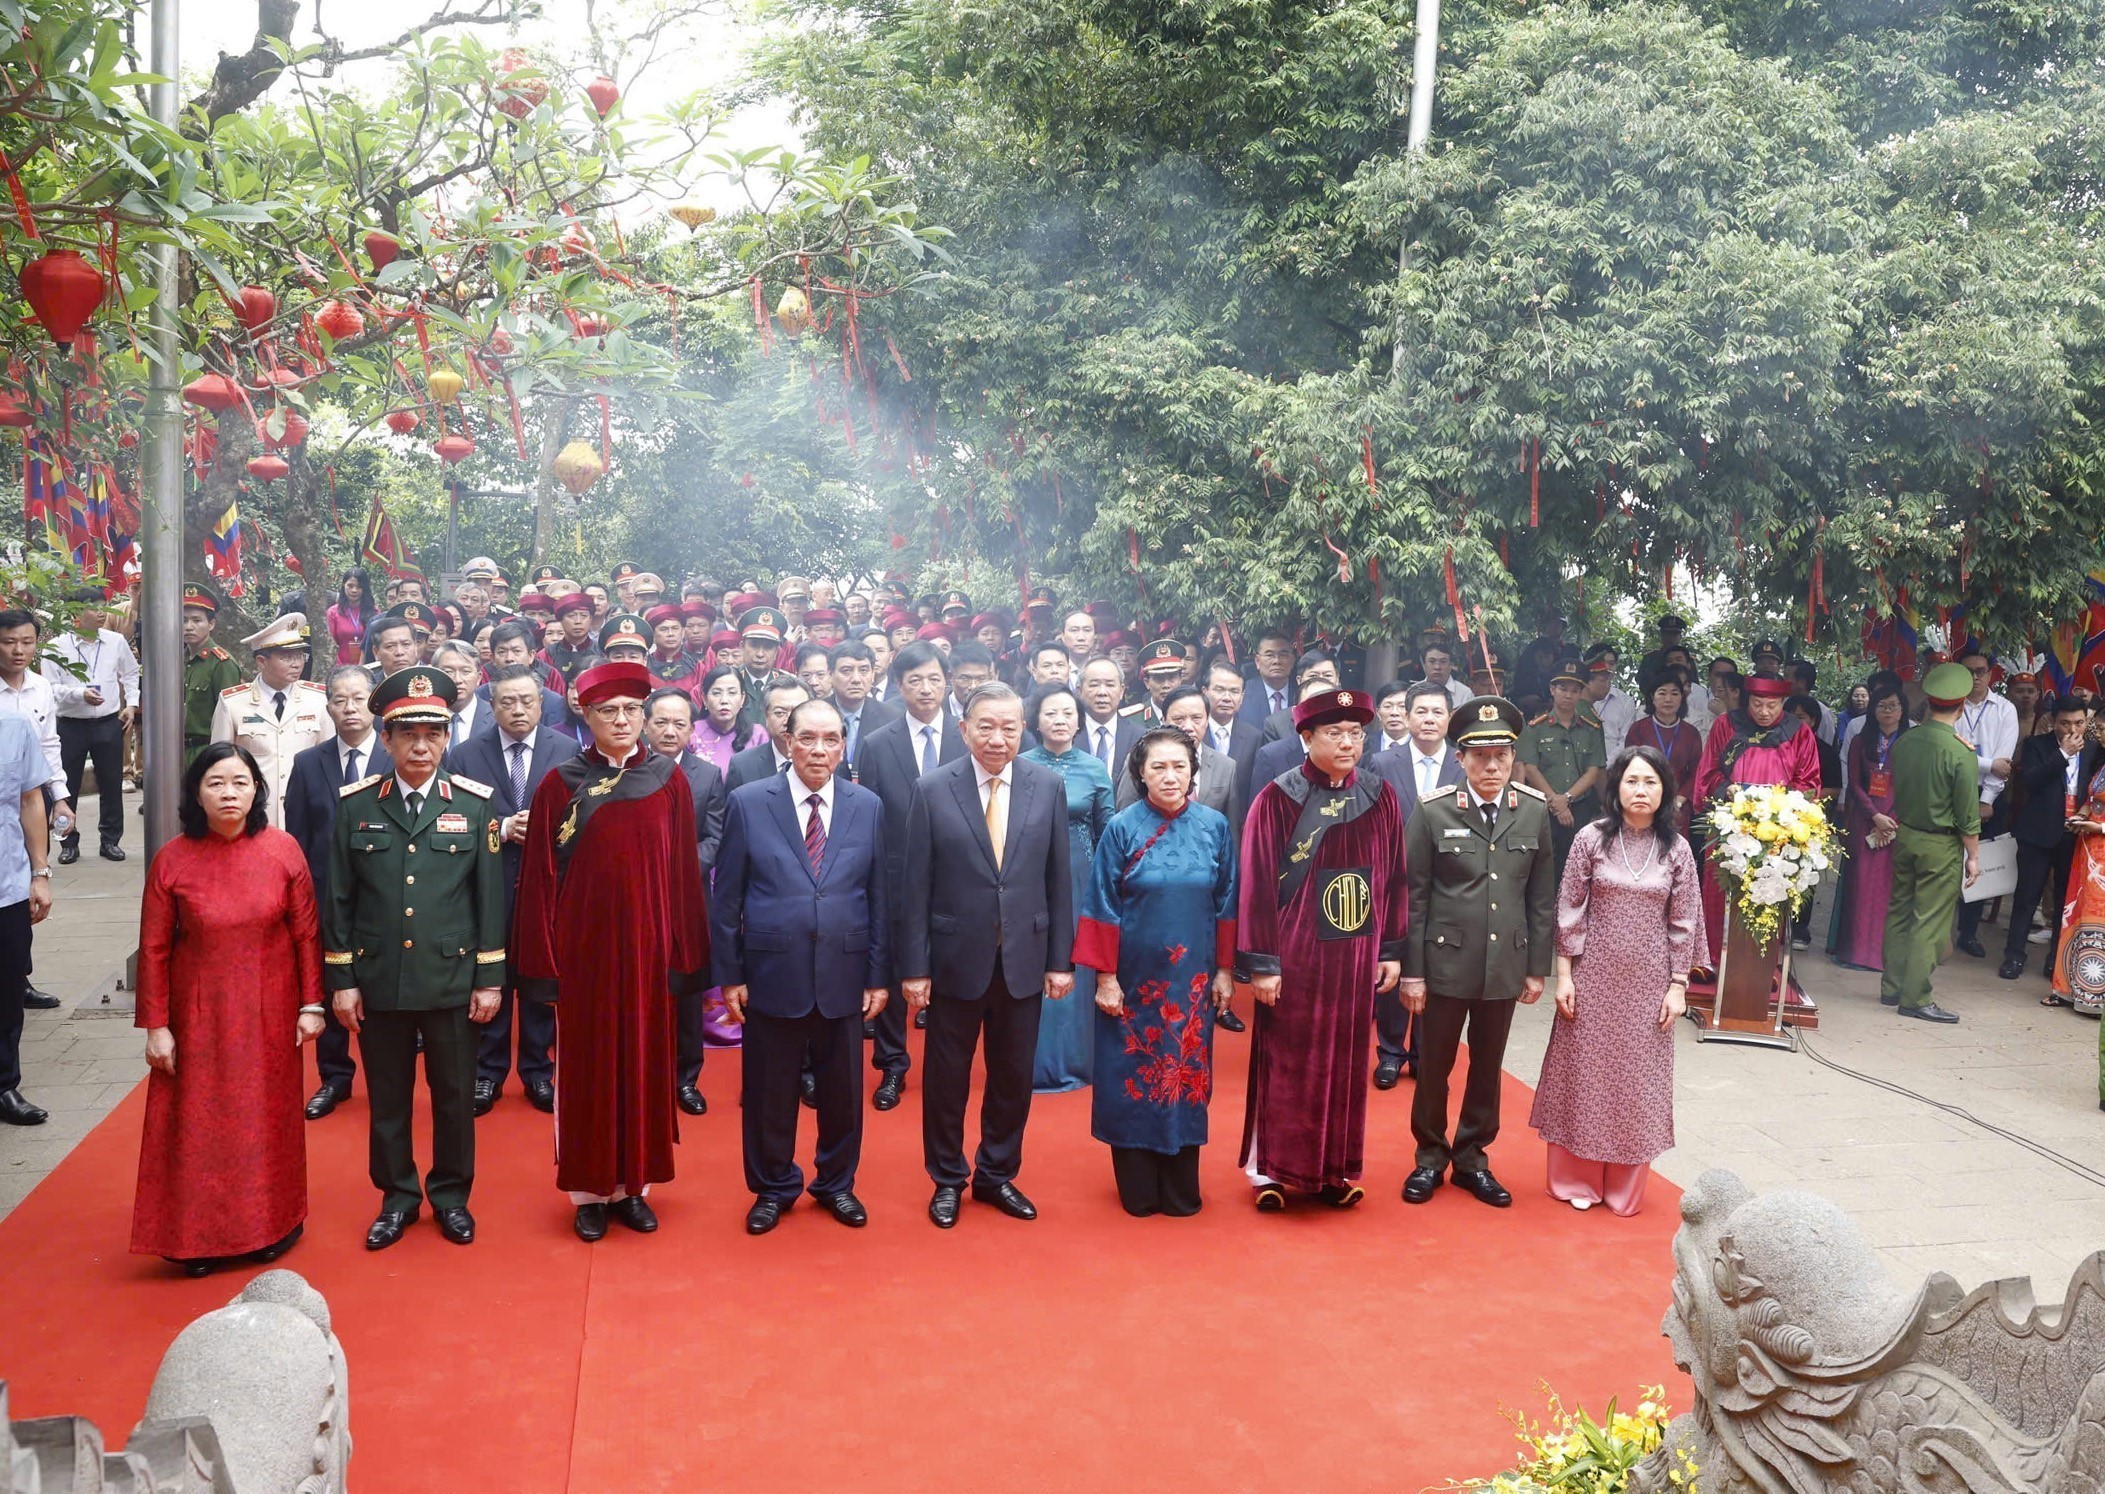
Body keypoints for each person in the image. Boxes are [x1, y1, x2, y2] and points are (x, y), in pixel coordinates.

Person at [513, 661, 711, 1242]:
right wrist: (543, 966)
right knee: (590, 1070)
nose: (621, 721)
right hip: (585, 958)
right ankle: (590, 1193)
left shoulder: (669, 780)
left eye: (631, 710)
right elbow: (541, 879)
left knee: (646, 1067)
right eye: (608, 712)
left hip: (649, 956)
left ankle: (636, 1187)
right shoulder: (561, 784)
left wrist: (684, 955)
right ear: (586, 716)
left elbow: (681, 875)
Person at [324, 666, 506, 1250]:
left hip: (452, 979)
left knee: (454, 1100)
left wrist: (490, 979)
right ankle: (398, 1197)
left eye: (433, 734)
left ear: (447, 738)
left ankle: (451, 1197)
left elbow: (489, 901)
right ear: (386, 740)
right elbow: (339, 898)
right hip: (380, 980)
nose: (421, 746)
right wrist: (343, 979)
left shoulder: (475, 807)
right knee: (389, 1099)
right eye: (408, 735)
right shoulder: (355, 806)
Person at [132, 743, 322, 1274]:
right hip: (200, 1014)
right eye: (216, 782)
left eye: (240, 782)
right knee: (197, 1124)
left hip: (270, 1009)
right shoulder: (173, 858)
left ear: (257, 789)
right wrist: (157, 1026)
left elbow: (307, 933)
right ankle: (195, 1237)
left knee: (266, 1120)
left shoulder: (283, 851)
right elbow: (153, 948)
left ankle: (271, 1224)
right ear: (197, 792)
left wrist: (312, 1004)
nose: (229, 793)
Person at [712, 699, 889, 1234]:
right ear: (786, 741)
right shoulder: (748, 801)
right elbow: (727, 899)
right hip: (771, 971)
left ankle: (837, 1183)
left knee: (843, 1092)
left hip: (845, 968)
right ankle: (773, 1186)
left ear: (843, 745)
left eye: (831, 739)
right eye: (807, 738)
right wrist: (732, 976)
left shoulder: (868, 805)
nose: (819, 749)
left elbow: (879, 895)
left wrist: (879, 974)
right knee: (770, 1089)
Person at [901, 681, 1074, 1227]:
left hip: (1024, 956)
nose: (997, 739)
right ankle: (947, 1178)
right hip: (955, 959)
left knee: (1013, 1075)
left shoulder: (1046, 785)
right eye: (986, 727)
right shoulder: (932, 788)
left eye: (1009, 727)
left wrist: (1059, 960)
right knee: (946, 1078)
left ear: (1024, 729)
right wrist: (915, 967)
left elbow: (1058, 880)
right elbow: (915, 885)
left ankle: (997, 1174)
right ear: (964, 729)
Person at [1236, 687, 1407, 1210]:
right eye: (1335, 733)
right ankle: (1273, 1171)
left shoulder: (1381, 797)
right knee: (1288, 1063)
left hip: (1354, 959)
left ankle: (1336, 1169)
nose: (1348, 742)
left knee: (1345, 1064)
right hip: (1295, 959)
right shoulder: (1276, 798)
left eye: (1356, 733)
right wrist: (1263, 963)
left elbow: (1396, 878)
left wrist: (1392, 950)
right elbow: (1257, 885)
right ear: (1305, 737)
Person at [1529, 747, 1702, 1216]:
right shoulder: (1592, 838)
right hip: (1591, 976)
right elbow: (1569, 907)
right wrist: (1564, 975)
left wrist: (1678, 985)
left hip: (1649, 982)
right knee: (1584, 1076)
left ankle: (1624, 1188)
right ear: (1616, 787)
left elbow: (1685, 920)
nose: (1640, 790)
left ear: (1663, 789)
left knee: (1635, 1082)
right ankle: (1575, 1180)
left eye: (1650, 782)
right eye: (1631, 781)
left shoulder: (1677, 848)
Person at [1399, 696, 1556, 1209]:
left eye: (1502, 758)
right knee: (1435, 1065)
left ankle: (1471, 1159)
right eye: (1480, 757)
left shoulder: (1532, 812)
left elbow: (1539, 897)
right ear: (1460, 758)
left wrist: (1537, 969)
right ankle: (1429, 1157)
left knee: (1488, 1067)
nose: (1492, 768)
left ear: (1513, 759)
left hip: (1503, 965)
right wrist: (1413, 973)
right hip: (1444, 964)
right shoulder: (1432, 810)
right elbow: (1413, 896)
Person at [1074, 726, 1237, 1217]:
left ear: (1194, 773)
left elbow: (1227, 903)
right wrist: (1105, 978)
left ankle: (1181, 1180)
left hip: (1191, 984)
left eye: (1179, 766)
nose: (1170, 776)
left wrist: (1225, 971)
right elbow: (1100, 903)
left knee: (1188, 1074)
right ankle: (1139, 1182)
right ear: (1140, 773)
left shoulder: (1215, 827)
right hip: (1132, 983)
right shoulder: (1123, 828)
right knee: (1133, 1073)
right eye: (1158, 767)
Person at [445, 663, 581, 1116]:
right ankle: (488, 1071)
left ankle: (538, 1072)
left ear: (543, 703)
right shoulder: (465, 755)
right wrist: (501, 827)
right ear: (492, 705)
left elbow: (583, 819)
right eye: (507, 701)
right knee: (491, 975)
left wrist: (543, 831)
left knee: (542, 977)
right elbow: (453, 821)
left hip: (550, 886)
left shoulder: (567, 751)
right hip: (491, 883)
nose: (518, 709)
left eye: (527, 701)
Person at [857, 641, 965, 1105]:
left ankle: (946, 1068)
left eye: (934, 678)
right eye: (914, 680)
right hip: (899, 880)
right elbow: (870, 821)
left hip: (961, 881)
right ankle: (892, 1066)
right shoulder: (877, 745)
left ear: (948, 681)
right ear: (898, 686)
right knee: (898, 974)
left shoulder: (968, 738)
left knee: (954, 977)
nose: (925, 688)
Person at [282, 664, 390, 1119]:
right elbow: (299, 838)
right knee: (330, 986)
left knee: (381, 990)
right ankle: (335, 1077)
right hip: (327, 896)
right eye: (340, 700)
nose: (349, 708)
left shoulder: (397, 755)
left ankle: (386, 1077)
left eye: (358, 698)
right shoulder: (310, 763)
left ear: (375, 704)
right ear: (328, 707)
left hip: (386, 894)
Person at [1691, 672, 1821, 970]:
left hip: (1777, 831)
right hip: (1730, 827)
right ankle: (1710, 961)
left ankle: (1760, 968)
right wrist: (1728, 790)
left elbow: (1810, 782)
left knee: (1768, 895)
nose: (1764, 712)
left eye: (1772, 705)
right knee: (1720, 892)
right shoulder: (1726, 725)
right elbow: (1708, 773)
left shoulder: (1798, 732)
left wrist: (1782, 805)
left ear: (1783, 703)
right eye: (1758, 704)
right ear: (1747, 699)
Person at [1020, 685, 1113, 1092]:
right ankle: (1031, 1061)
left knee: (1077, 960)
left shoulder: (1094, 767)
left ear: (1079, 721)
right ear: (1035, 721)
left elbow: (1107, 827)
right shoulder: (1019, 764)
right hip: (1030, 875)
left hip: (1081, 873)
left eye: (1067, 713)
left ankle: (1080, 1059)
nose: (1059, 720)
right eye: (1050, 713)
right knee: (1035, 959)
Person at [1369, 682, 1462, 1088]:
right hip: (1394, 883)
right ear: (1406, 717)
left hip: (1449, 886)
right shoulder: (1381, 763)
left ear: (1449, 719)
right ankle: (1390, 1053)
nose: (1428, 719)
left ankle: (1425, 1054)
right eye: (1420, 711)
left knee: (1437, 970)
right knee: (1393, 967)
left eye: (1437, 712)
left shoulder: (1464, 765)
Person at [1879, 662, 1983, 1023]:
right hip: (1941, 844)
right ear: (1962, 704)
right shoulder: (1961, 752)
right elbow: (1968, 814)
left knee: (1899, 912)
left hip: (1906, 834)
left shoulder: (1906, 741)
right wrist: (1973, 856)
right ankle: (1916, 997)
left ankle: (1891, 988)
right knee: (1930, 921)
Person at [642, 687, 728, 1115]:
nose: (670, 730)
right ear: (645, 724)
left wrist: (673, 867)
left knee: (688, 992)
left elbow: (715, 836)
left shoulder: (707, 775)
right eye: (661, 722)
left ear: (692, 730)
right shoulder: (627, 771)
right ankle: (644, 1078)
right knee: (642, 992)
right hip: (636, 901)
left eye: (679, 723)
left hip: (688, 900)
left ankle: (686, 1078)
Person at [46, 588, 141, 864]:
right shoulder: (58, 646)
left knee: (112, 784)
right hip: (70, 726)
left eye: (104, 606)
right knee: (65, 787)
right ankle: (67, 842)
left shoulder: (115, 642)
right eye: (93, 607)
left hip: (109, 723)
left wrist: (131, 705)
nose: (101, 612)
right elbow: (50, 687)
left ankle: (110, 841)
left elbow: (131, 673)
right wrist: (79, 694)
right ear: (75, 612)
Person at [211, 614, 328, 832]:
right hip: (253, 812)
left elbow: (328, 758)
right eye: (286, 657)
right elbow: (219, 764)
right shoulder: (233, 703)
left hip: (307, 811)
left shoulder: (318, 699)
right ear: (262, 662)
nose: (297, 663)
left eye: (300, 655)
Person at [1826, 684, 1908, 972]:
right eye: (1882, 705)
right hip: (1864, 820)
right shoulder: (1862, 740)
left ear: (1903, 709)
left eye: (1893, 705)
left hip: (1897, 822)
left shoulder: (1910, 741)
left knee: (1888, 889)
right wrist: (1875, 815)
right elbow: (1855, 783)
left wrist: (1891, 820)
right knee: (1859, 887)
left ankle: (1881, 955)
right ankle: (1855, 952)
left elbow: (1912, 786)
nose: (1887, 711)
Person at [2016, 697, 2096, 992]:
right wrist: (2063, 753)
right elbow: (2031, 782)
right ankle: (2014, 956)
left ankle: (2055, 960)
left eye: (2079, 723)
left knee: (2065, 902)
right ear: (2053, 721)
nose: (2072, 729)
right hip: (2038, 833)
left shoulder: (2094, 750)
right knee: (2026, 897)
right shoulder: (2037, 745)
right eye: (2065, 723)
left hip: (2074, 835)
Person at [0, 712, 53, 1126]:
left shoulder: (13, 727)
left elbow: (31, 799)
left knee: (7, 988)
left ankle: (4, 1085)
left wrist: (40, 873)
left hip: (7, 884)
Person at [1952, 647, 2021, 959]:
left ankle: (1968, 932)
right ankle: (1940, 927)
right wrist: (1986, 763)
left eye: (1980, 671)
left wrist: (1987, 798)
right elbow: (1951, 753)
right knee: (1948, 858)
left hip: (1989, 795)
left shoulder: (2004, 709)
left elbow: (2003, 764)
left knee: (1980, 863)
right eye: (1968, 671)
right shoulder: (1951, 705)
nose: (1975, 677)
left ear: (1991, 673)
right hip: (1952, 791)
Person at [1516, 657, 1605, 878]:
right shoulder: (1535, 728)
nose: (1568, 695)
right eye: (1563, 688)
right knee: (1543, 865)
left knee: (1577, 866)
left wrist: (1566, 798)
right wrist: (1556, 802)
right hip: (1542, 807)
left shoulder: (1591, 729)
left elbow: (1593, 771)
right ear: (1552, 689)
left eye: (1575, 690)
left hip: (1579, 807)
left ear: (1581, 693)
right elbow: (1529, 768)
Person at [1627, 672, 1703, 829]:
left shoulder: (1691, 733)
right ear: (1652, 697)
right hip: (1643, 803)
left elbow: (1696, 771)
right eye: (1662, 693)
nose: (1668, 699)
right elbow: (1629, 768)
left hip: (1678, 808)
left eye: (1674, 693)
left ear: (1682, 697)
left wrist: (1679, 799)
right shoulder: (1638, 729)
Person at [180, 582, 242, 768]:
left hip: (206, 752)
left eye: (196, 620)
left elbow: (230, 716)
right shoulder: (176, 661)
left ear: (211, 624)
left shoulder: (222, 663)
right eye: (183, 620)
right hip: (176, 752)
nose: (189, 626)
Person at [727, 679, 811, 789]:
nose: (788, 721)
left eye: (797, 712)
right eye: (780, 713)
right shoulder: (742, 766)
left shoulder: (827, 761)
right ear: (766, 717)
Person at [326, 568, 377, 667]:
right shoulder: (332, 613)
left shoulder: (374, 612)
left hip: (368, 667)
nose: (354, 590)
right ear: (343, 585)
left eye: (359, 587)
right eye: (350, 586)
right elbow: (330, 646)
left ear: (365, 588)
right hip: (340, 668)